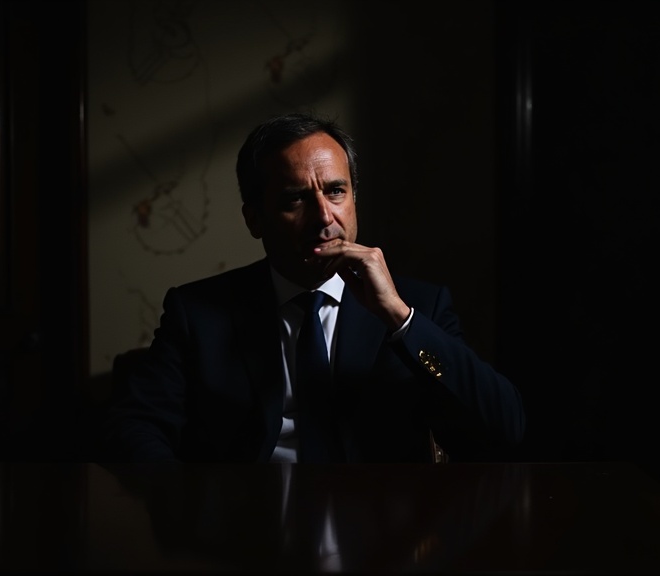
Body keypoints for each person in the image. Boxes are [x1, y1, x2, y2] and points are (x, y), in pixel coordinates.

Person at [103, 111, 525, 463]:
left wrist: (399, 319)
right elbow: (135, 426)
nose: (324, 216)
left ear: (354, 200)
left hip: (379, 531)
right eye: (295, 199)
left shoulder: (418, 306)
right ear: (254, 219)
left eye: (336, 191)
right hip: (248, 525)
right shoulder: (196, 311)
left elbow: (503, 429)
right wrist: (189, 511)